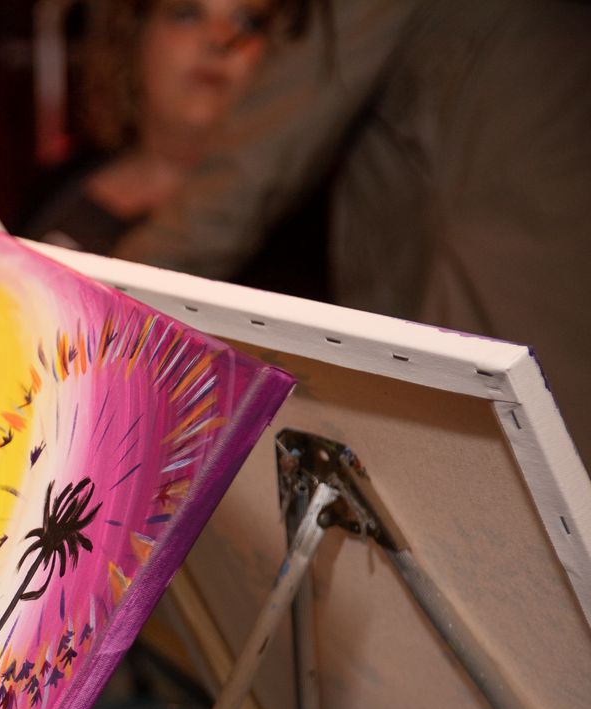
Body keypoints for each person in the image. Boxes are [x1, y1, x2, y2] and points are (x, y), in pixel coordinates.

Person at [114, 0, 591, 447]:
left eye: (251, 24)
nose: (219, 41)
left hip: (519, 285)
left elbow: (246, 179)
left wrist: (88, 320)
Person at [25, 0, 327, 298]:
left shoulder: (303, 232)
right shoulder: (56, 186)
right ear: (134, 37)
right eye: (187, 14)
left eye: (249, 22)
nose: (218, 39)